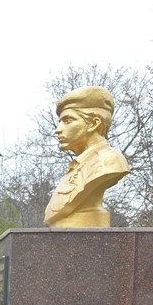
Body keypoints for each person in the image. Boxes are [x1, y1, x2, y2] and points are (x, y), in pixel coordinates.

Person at [44, 85, 130, 228]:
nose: (58, 130)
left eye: (67, 120)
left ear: (94, 124)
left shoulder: (109, 162)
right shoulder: (75, 167)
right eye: (60, 122)